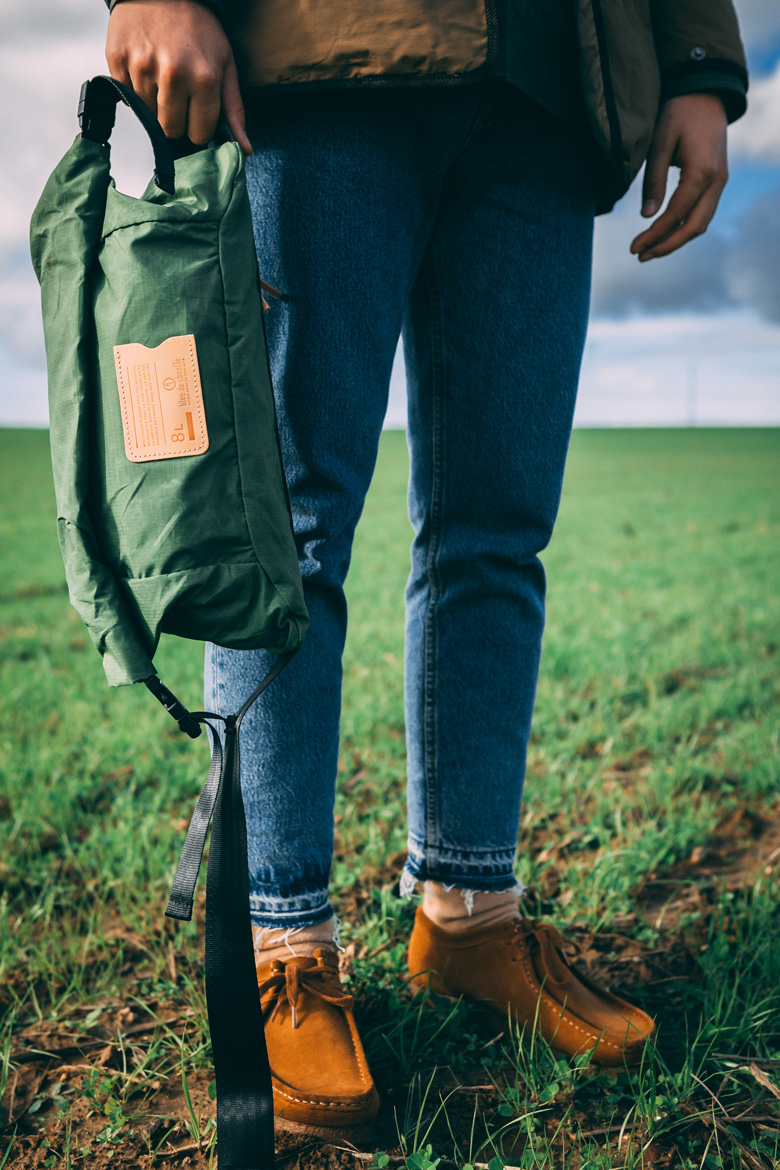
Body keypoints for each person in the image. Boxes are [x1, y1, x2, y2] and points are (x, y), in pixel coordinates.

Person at [105, 0, 748, 1143]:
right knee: (287, 531)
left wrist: (697, 62)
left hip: (550, 90)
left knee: (497, 534)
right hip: (322, 64)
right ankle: (283, 946)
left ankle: (470, 920)